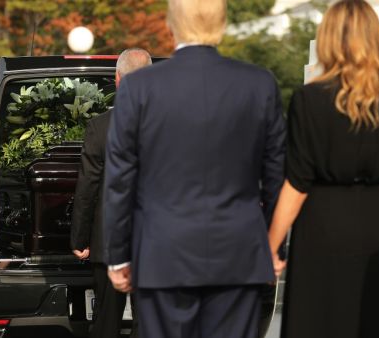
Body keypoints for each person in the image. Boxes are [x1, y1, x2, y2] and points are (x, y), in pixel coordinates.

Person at [102, 0, 285, 337]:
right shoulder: (259, 84)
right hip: (239, 253)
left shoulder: (138, 88)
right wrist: (275, 246)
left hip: (162, 254)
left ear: (171, 26)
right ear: (223, 24)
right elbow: (276, 175)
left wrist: (118, 255)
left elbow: (120, 179)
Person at [267, 1, 379, 337]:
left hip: (321, 229)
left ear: (327, 39)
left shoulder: (308, 99)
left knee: (319, 321)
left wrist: (270, 247)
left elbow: (297, 184)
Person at [71, 48, 152, 338]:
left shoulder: (100, 127)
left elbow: (88, 186)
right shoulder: (169, 124)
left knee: (105, 321)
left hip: (109, 240)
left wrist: (80, 238)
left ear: (117, 80)